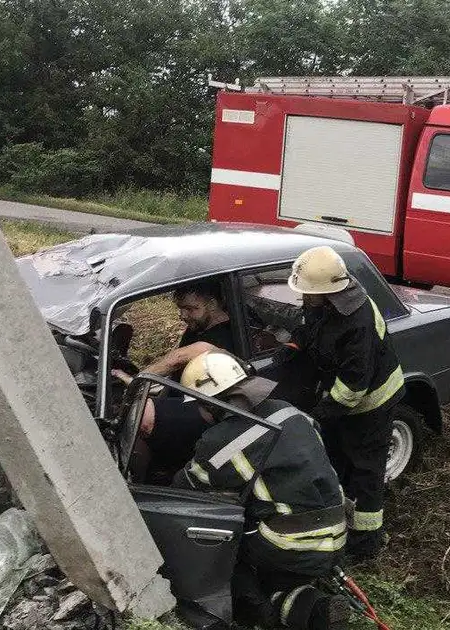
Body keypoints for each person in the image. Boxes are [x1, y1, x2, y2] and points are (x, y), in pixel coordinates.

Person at [172, 350, 351, 629]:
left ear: (212, 404)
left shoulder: (220, 440)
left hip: (289, 543)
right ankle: (313, 606)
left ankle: (264, 614)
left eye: (199, 404)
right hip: (337, 532)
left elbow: (184, 488)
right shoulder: (289, 411)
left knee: (223, 546)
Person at [276, 246, 405, 562]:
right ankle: (341, 515)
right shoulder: (325, 300)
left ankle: (366, 542)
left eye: (309, 293)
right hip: (348, 398)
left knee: (365, 471)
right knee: (339, 459)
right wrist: (295, 344)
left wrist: (320, 415)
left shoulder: (356, 322)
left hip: (372, 403)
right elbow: (312, 327)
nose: (304, 298)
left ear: (327, 292)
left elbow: (353, 387)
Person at [113, 281, 236, 480]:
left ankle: (138, 484)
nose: (183, 315)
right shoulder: (199, 327)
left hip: (212, 408)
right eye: (180, 309)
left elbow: (176, 359)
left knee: (140, 415)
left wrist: (138, 380)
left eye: (191, 308)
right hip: (185, 396)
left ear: (212, 304)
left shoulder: (224, 333)